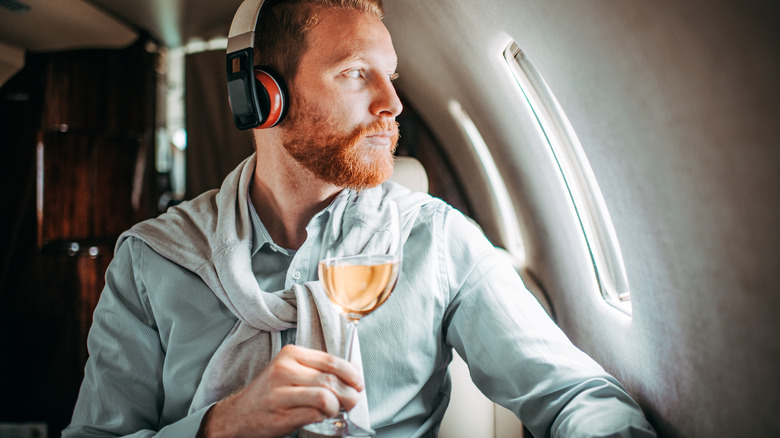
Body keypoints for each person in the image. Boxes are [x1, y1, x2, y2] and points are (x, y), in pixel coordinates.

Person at [64, 0, 657, 437]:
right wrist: (221, 427)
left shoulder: (439, 242)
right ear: (264, 97)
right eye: (354, 73)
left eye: (390, 77)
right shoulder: (151, 260)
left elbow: (573, 393)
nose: (392, 105)